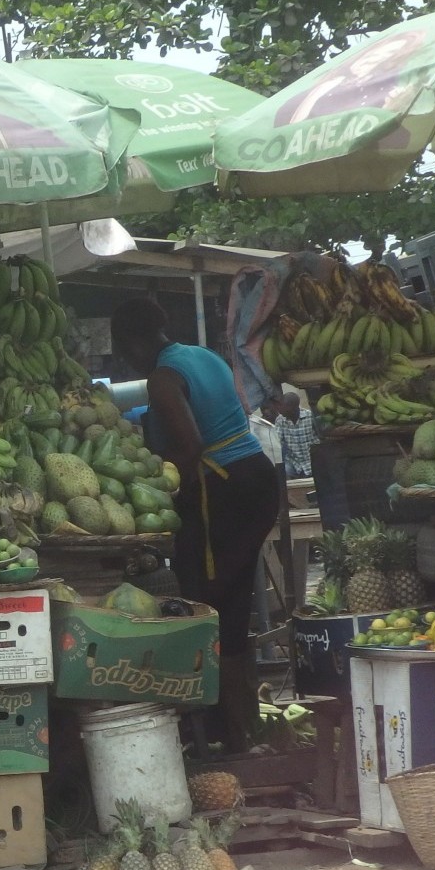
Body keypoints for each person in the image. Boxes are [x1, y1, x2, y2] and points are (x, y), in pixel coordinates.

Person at [111, 299, 282, 752]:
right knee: (231, 604)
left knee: (207, 610)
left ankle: (229, 731)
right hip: (257, 478)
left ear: (132, 342)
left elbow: (189, 446)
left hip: (223, 490)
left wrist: (157, 492)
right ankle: (240, 726)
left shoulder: (163, 377)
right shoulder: (202, 354)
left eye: (123, 350)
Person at [273, 29, 430, 127]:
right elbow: (291, 125)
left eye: (388, 55)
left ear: (392, 62)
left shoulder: (384, 94)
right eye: (377, 51)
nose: (375, 57)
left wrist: (392, 106)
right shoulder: (328, 84)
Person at [275, 392, 318, 479]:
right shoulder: (280, 420)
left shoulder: (310, 416)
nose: (280, 409)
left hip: (312, 460)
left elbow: (320, 438)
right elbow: (278, 442)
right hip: (293, 462)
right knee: (284, 473)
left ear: (294, 407)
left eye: (284, 406)